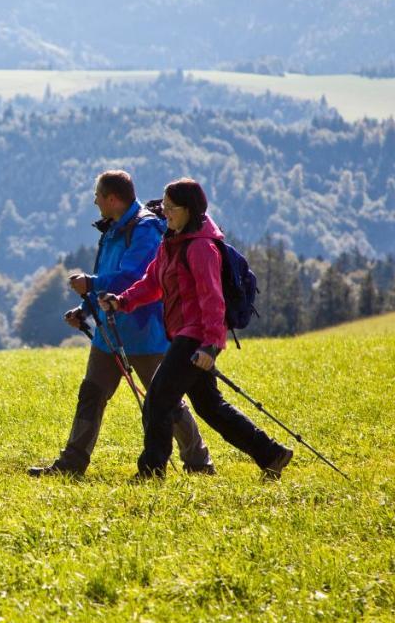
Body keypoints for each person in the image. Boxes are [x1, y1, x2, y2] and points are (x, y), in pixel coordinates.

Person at [100, 177, 294, 480]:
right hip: (182, 335)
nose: (165, 213)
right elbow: (153, 283)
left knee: (158, 399)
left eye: (171, 208)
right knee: (210, 407)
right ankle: (272, 453)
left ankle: (151, 472)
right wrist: (122, 301)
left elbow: (213, 302)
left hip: (195, 338)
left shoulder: (201, 248)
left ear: (190, 209)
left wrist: (210, 347)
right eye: (163, 207)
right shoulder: (171, 242)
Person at [28, 170, 214, 477]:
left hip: (144, 331)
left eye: (98, 196)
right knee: (92, 393)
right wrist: (85, 309)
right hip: (109, 331)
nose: (95, 201)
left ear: (113, 199)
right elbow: (109, 280)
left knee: (165, 399)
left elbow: (135, 277)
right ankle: (72, 463)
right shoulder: (114, 229)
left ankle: (198, 461)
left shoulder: (145, 229)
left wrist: (91, 283)